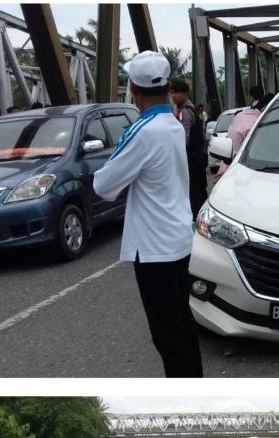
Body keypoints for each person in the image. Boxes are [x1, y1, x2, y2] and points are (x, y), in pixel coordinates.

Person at [93, 51, 203, 379]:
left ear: (132, 89)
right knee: (182, 327)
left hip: (154, 249)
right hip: (177, 240)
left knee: (168, 336)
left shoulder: (143, 131)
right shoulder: (170, 121)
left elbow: (103, 184)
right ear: (168, 86)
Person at [169, 79, 207, 219]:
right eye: (171, 93)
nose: (173, 96)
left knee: (193, 195)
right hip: (198, 158)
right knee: (199, 192)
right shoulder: (194, 109)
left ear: (184, 93)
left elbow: (184, 139)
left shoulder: (184, 112)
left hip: (191, 159)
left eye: (176, 93)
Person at [215, 92, 274, 179]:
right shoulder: (256, 125)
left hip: (227, 170)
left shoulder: (240, 116)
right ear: (267, 108)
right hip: (243, 174)